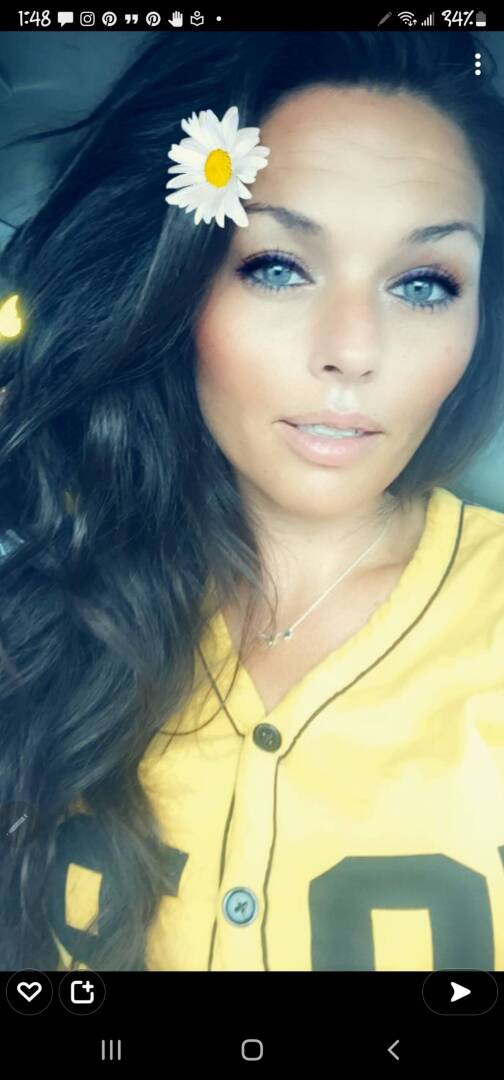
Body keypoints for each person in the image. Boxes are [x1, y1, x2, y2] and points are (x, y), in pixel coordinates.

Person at [0, 29, 504, 972]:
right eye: (277, 267)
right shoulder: (45, 615)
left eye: (423, 283)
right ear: (178, 290)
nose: (353, 350)